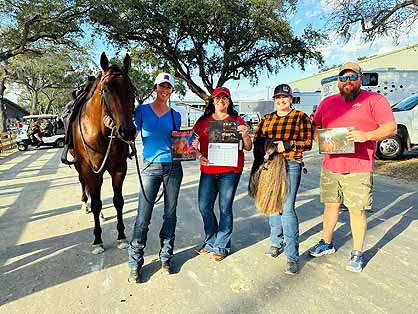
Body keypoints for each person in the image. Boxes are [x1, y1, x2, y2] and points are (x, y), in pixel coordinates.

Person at [308, 62, 396, 272]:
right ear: (338, 82)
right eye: (343, 78)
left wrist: (367, 136)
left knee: (356, 211)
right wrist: (319, 139)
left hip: (359, 166)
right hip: (331, 164)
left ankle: (357, 253)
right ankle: (326, 243)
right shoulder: (327, 102)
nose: (347, 82)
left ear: (361, 79)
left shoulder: (375, 100)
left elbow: (390, 127)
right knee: (330, 206)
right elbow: (315, 124)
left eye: (352, 77)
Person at [104, 72, 183, 283]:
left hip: (173, 168)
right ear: (156, 87)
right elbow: (131, 134)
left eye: (168, 87)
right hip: (150, 167)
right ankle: (134, 263)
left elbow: (179, 142)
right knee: (143, 217)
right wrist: (114, 128)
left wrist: (188, 145)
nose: (165, 90)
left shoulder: (176, 115)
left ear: (172, 91)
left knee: (170, 215)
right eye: (161, 86)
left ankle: (166, 257)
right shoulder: (142, 111)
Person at [252, 83, 312, 275]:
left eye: (284, 97)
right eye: (278, 98)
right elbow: (257, 141)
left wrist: (287, 144)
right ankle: (276, 242)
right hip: (270, 165)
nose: (281, 100)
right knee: (272, 205)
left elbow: (308, 143)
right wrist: (268, 146)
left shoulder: (301, 117)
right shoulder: (267, 119)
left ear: (291, 99)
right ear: (274, 100)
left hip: (290, 164)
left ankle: (292, 255)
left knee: (287, 208)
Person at [192, 87, 252, 262]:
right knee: (204, 206)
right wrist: (198, 155)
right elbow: (191, 143)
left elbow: (248, 147)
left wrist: (246, 135)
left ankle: (222, 245)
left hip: (230, 171)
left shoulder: (237, 120)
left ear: (229, 101)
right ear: (212, 101)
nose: (221, 101)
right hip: (208, 170)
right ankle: (210, 240)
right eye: (218, 98)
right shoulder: (203, 121)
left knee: (225, 207)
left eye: (225, 98)